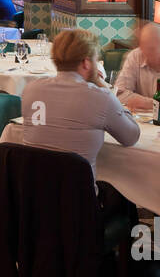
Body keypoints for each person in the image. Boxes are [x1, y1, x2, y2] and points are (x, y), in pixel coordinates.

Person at [21, 28, 140, 181]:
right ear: (86, 63)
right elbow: (131, 137)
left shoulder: (31, 89)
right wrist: (102, 85)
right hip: (77, 198)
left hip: (30, 193)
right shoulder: (100, 97)